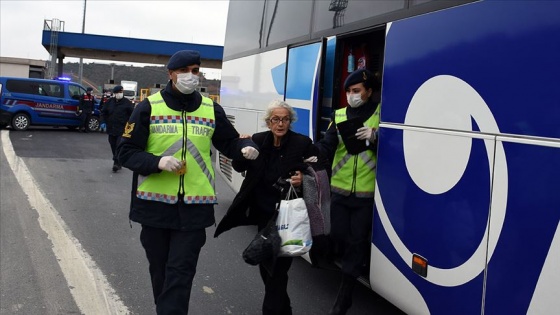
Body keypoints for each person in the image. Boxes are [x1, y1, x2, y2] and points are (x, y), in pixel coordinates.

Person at [117, 49, 260, 315]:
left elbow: (230, 141)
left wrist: (247, 146)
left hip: (194, 208)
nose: (190, 76)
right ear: (171, 74)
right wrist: (157, 162)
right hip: (154, 207)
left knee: (181, 272)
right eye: (184, 71)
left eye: (195, 71)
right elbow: (125, 152)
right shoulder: (149, 107)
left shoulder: (210, 108)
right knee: (160, 271)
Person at [214, 100, 323, 315]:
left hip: (288, 215)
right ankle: (284, 309)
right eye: (275, 119)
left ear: (290, 121)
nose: (280, 123)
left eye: (284, 119)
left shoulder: (302, 143)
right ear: (268, 122)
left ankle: (272, 310)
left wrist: (305, 177)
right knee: (267, 266)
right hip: (264, 214)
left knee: (278, 269)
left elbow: (318, 167)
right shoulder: (258, 140)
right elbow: (238, 166)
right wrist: (242, 149)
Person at [315, 69, 381, 315]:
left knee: (356, 243)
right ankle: (344, 275)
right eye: (348, 92)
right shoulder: (340, 114)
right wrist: (314, 152)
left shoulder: (381, 113)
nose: (351, 96)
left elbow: (400, 143)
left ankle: (344, 298)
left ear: (369, 92)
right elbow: (328, 143)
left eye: (356, 91)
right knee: (338, 236)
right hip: (340, 190)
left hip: (366, 193)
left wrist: (375, 137)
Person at [100, 85, 134, 172]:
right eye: (118, 92)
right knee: (112, 145)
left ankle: (116, 162)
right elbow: (103, 112)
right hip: (111, 128)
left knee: (119, 145)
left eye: (121, 92)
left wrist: (131, 126)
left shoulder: (127, 103)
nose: (120, 94)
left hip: (122, 129)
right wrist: (103, 122)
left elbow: (133, 115)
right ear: (114, 94)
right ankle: (118, 161)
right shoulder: (109, 102)